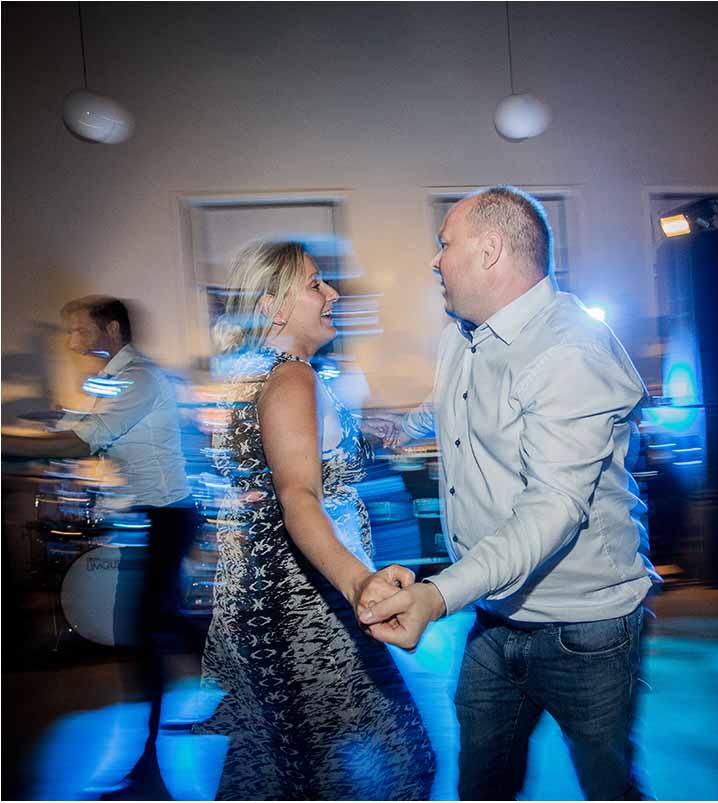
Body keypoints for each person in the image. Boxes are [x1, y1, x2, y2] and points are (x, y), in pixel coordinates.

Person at [359, 187, 661, 800]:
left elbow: (552, 508)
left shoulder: (570, 350)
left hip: (586, 629)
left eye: (445, 244)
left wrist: (436, 595)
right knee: (482, 783)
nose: (435, 260)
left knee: (608, 787)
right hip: (494, 616)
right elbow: (451, 405)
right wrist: (399, 429)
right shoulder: (463, 336)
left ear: (490, 250)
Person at [194, 240, 435, 800]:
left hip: (276, 589)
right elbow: (298, 496)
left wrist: (361, 435)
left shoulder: (265, 371)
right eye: (314, 284)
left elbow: (286, 459)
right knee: (396, 760)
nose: (332, 294)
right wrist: (359, 584)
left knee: (288, 760)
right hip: (305, 600)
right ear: (274, 307)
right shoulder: (291, 378)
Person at [3, 295, 197, 798]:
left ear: (111, 329)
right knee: (156, 630)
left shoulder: (138, 378)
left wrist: (7, 443)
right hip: (155, 519)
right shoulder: (117, 380)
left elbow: (80, 442)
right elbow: (87, 435)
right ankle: (153, 758)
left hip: (168, 518)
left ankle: (150, 768)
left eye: (80, 330)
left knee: (146, 635)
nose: (72, 342)